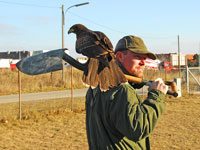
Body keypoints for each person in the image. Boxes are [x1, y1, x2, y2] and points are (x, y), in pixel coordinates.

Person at [85, 35, 168, 150]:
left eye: (144, 58)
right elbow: (138, 128)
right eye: (138, 57)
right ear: (119, 56)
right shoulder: (122, 90)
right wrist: (156, 96)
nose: (143, 63)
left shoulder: (97, 85)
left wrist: (135, 84)